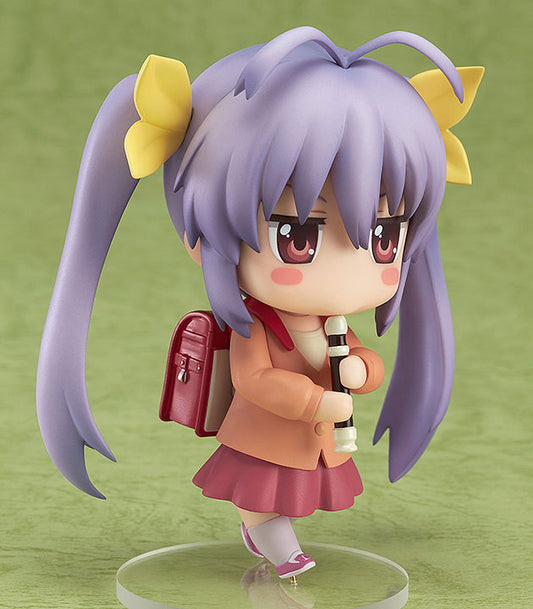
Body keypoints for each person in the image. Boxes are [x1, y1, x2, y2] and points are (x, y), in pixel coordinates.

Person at [36, 27, 483, 578]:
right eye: (297, 236)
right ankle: (273, 540)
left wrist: (361, 369)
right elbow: (254, 380)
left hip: (312, 437)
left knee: (295, 487)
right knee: (262, 490)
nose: (351, 265)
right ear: (203, 236)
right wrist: (314, 402)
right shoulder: (256, 324)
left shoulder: (332, 323)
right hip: (268, 434)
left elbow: (365, 361)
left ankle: (270, 531)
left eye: (384, 236)